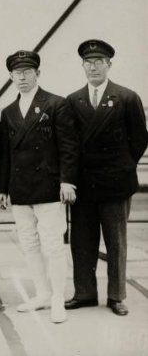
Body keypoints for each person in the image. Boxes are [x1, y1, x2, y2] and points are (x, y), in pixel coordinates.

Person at [65, 39, 148, 316]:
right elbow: (70, 144)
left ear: (109, 65)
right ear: (82, 66)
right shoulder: (73, 100)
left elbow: (139, 140)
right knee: (82, 242)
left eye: (99, 62)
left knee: (116, 243)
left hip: (115, 184)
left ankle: (116, 296)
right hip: (84, 186)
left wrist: (122, 167)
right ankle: (85, 293)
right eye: (88, 62)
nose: (93, 67)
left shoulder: (126, 97)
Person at [0, 50, 79, 323]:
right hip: (20, 188)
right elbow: (5, 153)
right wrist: (2, 189)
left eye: (27, 72)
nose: (21, 77)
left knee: (53, 245)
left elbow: (69, 147)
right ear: (10, 76)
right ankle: (42, 293)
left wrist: (67, 180)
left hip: (49, 187)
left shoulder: (56, 104)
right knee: (29, 244)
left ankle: (57, 298)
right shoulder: (8, 112)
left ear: (37, 74)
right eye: (16, 73)